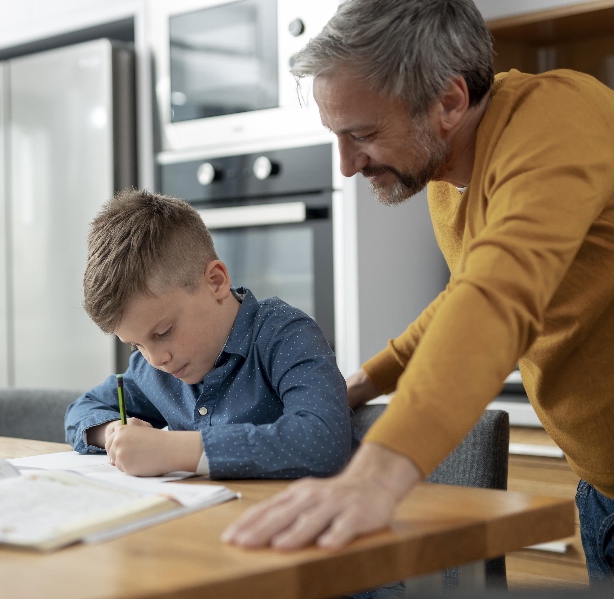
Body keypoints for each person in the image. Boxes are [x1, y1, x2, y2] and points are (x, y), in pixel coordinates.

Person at [221, 0, 614, 586]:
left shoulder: (559, 117)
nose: (348, 165)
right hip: (603, 489)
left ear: (450, 102)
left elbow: (497, 294)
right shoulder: (447, 177)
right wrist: (369, 377)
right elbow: (464, 294)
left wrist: (379, 472)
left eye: (364, 135)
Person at [64, 188, 356, 480]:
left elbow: (322, 440)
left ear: (216, 282)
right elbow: (82, 410)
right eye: (136, 345)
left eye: (164, 332)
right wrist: (113, 433)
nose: (156, 359)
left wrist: (173, 450)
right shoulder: (156, 369)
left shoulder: (285, 335)